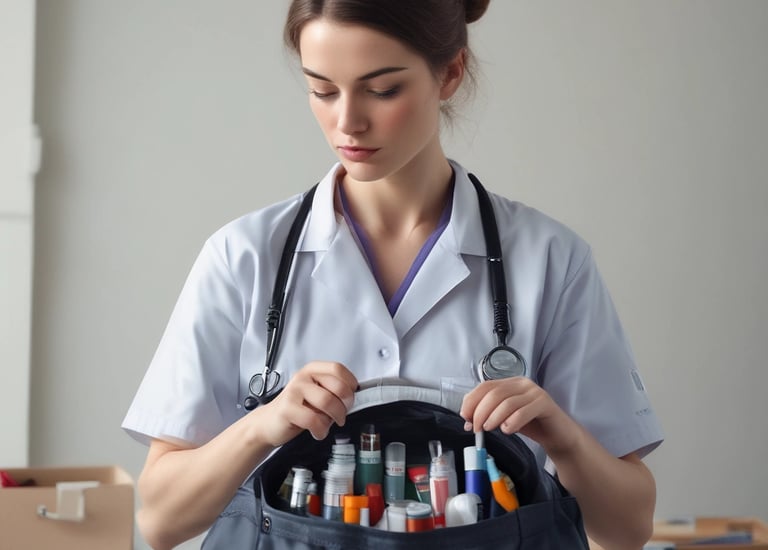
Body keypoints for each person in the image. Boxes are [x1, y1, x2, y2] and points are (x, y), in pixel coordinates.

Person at [123, 1, 663, 549]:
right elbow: (163, 522)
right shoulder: (243, 257)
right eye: (322, 90)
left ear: (449, 72)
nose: (347, 121)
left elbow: (626, 532)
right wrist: (262, 427)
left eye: (381, 90)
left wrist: (563, 439)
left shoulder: (551, 260)